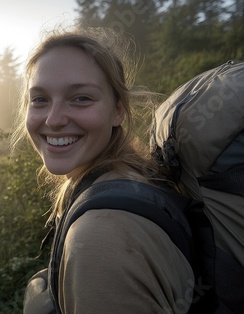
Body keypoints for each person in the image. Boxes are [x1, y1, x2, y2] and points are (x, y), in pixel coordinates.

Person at [14, 28, 194, 313]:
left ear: (118, 111)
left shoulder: (99, 236)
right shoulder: (131, 178)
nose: (54, 119)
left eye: (81, 98)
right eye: (39, 99)